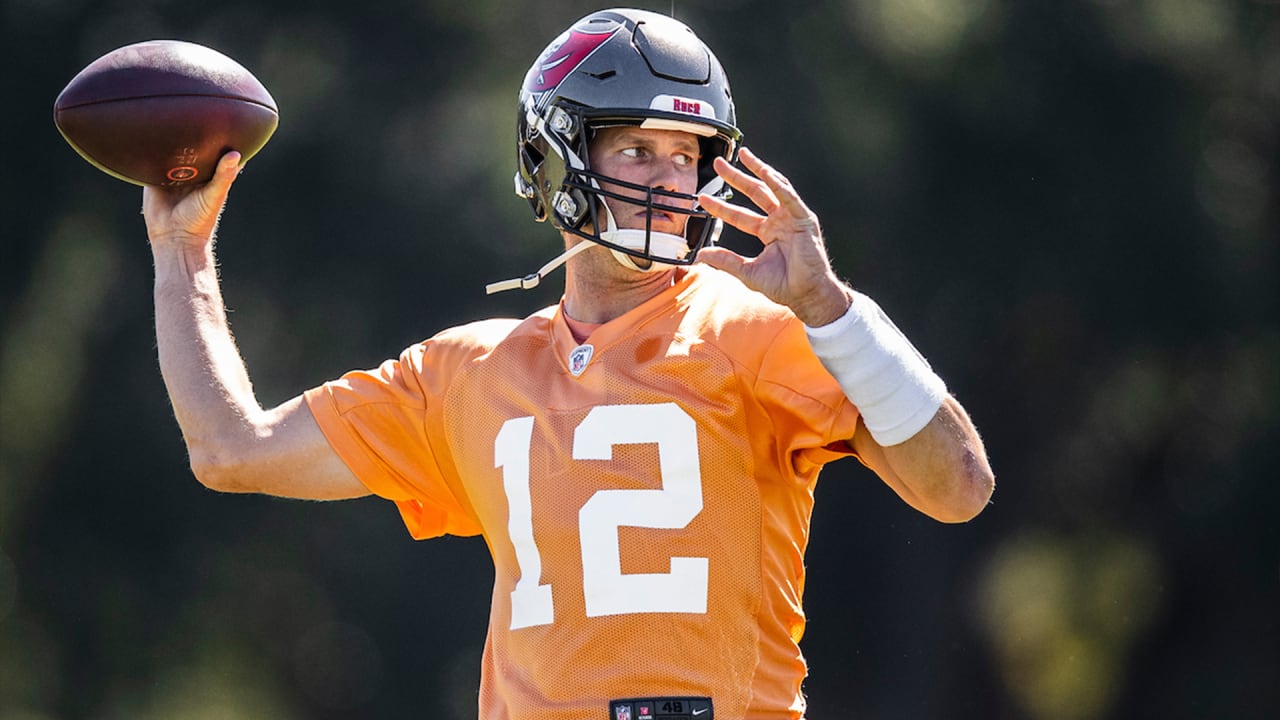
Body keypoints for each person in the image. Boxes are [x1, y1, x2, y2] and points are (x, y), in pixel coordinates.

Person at [142, 8, 993, 719]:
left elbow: (958, 489)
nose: (672, 182)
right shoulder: (468, 369)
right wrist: (181, 252)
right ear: (554, 159)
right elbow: (229, 448)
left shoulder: (757, 330)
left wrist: (832, 310)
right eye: (636, 151)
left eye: (688, 155)